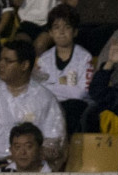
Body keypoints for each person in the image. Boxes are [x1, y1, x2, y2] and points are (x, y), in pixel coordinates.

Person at [0, 38, 66, 169]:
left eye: (8, 61)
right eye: (1, 59)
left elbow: (54, 143)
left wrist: (19, 159)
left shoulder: (45, 98)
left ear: (24, 65)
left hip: (29, 170)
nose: (1, 65)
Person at [35, 5, 95, 135]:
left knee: (72, 107)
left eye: (67, 27)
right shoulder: (44, 60)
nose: (61, 32)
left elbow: (82, 93)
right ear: (50, 32)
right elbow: (40, 91)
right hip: (51, 107)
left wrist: (54, 85)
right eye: (56, 27)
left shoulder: (84, 57)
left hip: (77, 109)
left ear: (75, 31)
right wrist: (65, 84)